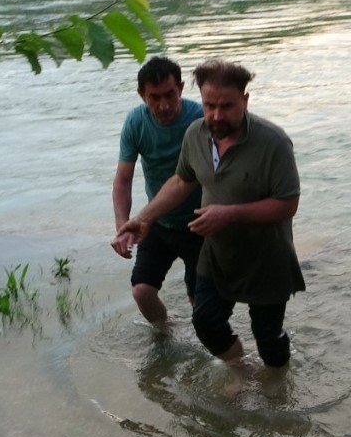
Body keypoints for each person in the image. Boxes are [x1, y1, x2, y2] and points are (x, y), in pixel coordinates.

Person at [114, 60, 304, 372]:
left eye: (227, 106)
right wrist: (143, 218)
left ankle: (278, 384)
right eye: (209, 105)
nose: (216, 115)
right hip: (215, 253)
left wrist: (228, 214)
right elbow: (180, 182)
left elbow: (287, 204)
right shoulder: (195, 134)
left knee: (268, 340)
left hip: (266, 257)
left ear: (244, 100)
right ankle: (240, 369)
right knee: (205, 321)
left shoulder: (273, 142)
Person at [111, 56, 205, 325]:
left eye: (170, 95)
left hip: (199, 222)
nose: (163, 105)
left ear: (181, 88)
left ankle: (204, 342)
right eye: (154, 98)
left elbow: (190, 179)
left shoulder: (199, 118)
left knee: (199, 302)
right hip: (157, 222)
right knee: (142, 292)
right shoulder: (136, 122)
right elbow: (123, 180)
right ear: (142, 95)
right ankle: (164, 334)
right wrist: (123, 226)